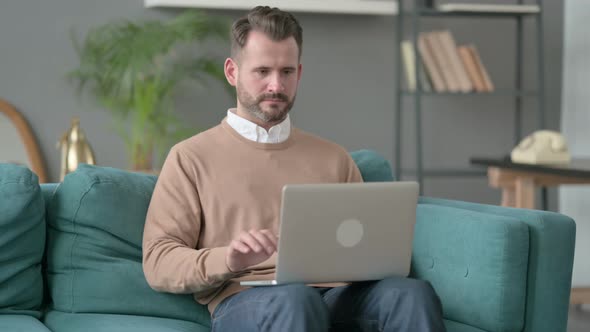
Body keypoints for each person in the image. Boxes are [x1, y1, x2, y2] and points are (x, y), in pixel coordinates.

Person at [142, 6, 445, 332]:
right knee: (297, 300)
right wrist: (228, 258)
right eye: (262, 72)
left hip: (337, 293)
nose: (276, 85)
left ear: (299, 73)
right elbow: (159, 261)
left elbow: (368, 246)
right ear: (232, 72)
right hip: (245, 298)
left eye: (286, 72)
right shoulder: (190, 157)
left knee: (411, 294)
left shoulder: (335, 158)